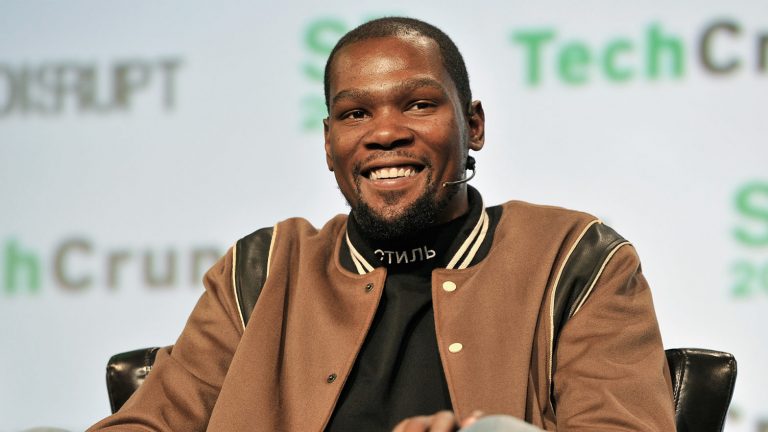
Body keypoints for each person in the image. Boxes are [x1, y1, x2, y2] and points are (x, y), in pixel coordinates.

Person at [89, 17, 675, 432]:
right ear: (329, 143)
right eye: (355, 113)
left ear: (473, 126)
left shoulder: (575, 259)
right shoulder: (261, 269)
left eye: (419, 104)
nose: (386, 132)